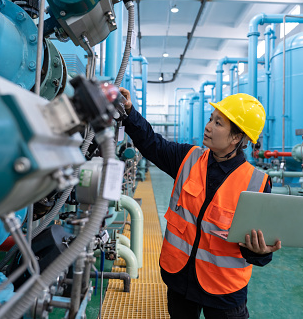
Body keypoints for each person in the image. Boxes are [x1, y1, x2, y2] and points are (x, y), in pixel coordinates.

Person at [119, 87, 282, 319]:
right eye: (210, 119)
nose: (208, 126)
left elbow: (258, 248)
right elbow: (151, 143)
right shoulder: (189, 158)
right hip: (180, 278)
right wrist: (129, 113)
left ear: (237, 137)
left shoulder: (256, 182)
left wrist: (260, 252)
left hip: (223, 291)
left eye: (218, 123)